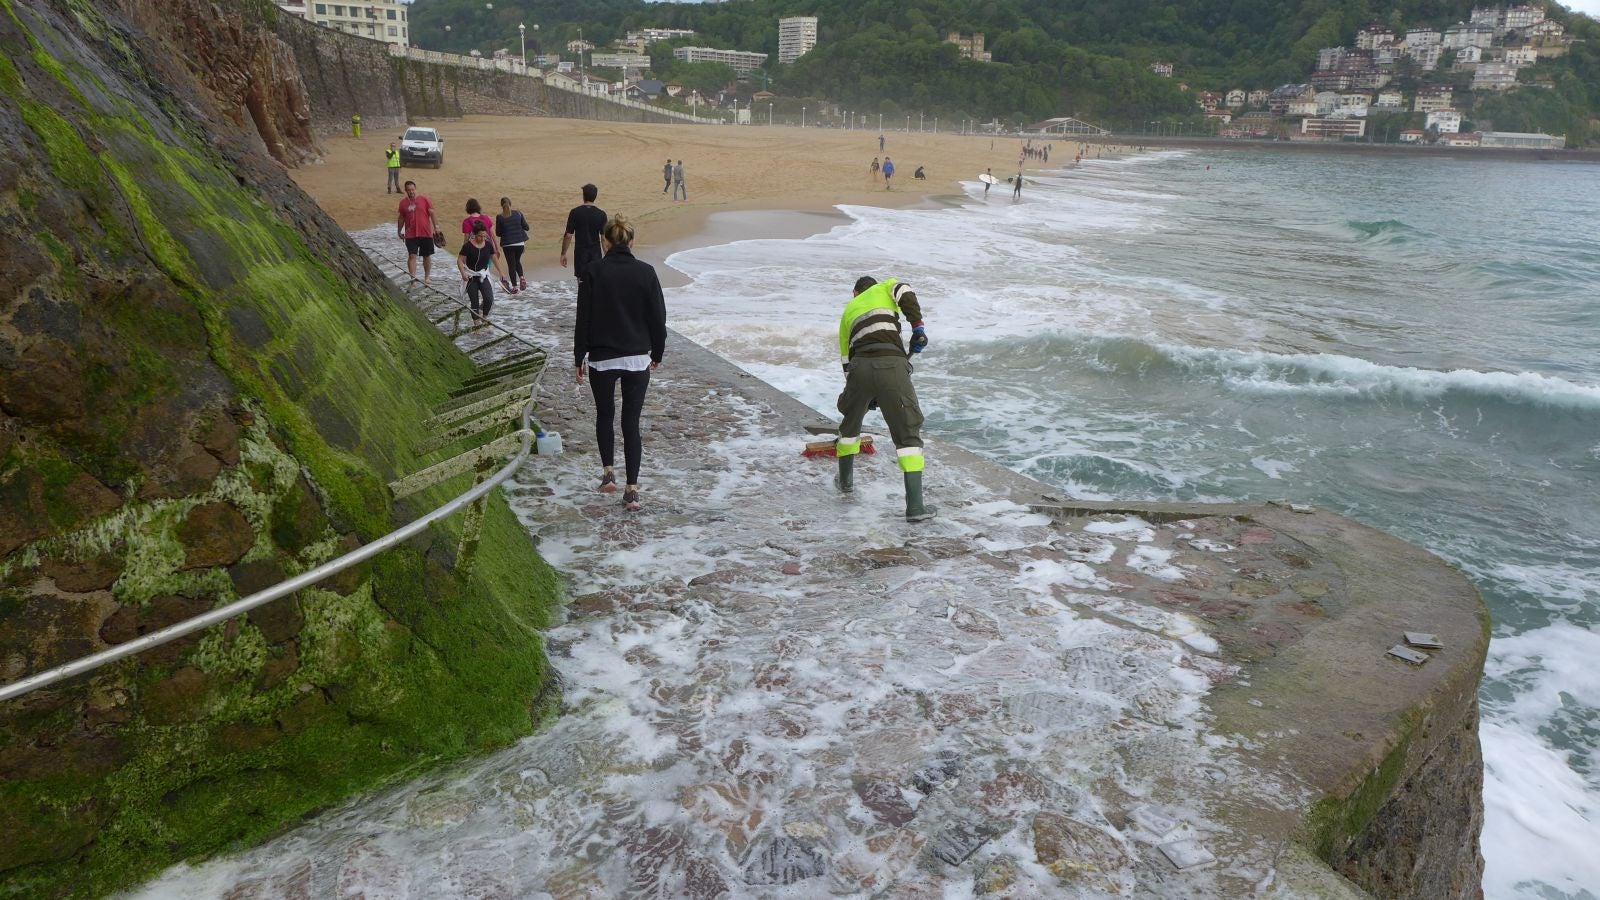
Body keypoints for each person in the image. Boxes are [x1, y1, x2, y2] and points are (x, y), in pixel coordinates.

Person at [574, 215, 666, 513]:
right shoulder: (646, 272)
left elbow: (583, 319)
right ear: (631, 242)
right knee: (631, 423)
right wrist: (657, 352)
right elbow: (657, 318)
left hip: (602, 357)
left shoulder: (593, 272)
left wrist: (579, 356)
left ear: (605, 241)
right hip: (637, 356)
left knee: (605, 415)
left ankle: (608, 474)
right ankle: (632, 491)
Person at [834, 275, 933, 521]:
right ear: (873, 286)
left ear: (854, 293)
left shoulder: (848, 311)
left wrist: (866, 394)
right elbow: (905, 290)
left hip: (859, 369)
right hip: (893, 366)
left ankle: (845, 482)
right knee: (907, 432)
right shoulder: (886, 286)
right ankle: (915, 508)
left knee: (850, 423)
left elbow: (846, 361)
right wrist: (917, 326)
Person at [560, 183, 607, 309]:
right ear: (595, 196)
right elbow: (603, 238)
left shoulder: (575, 212)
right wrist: (608, 256)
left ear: (583, 196)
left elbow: (568, 235)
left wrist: (563, 253)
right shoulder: (601, 214)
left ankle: (583, 309)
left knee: (582, 283)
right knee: (595, 284)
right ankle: (594, 309)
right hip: (596, 253)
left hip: (581, 253)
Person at [456, 220, 510, 323]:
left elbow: (494, 258)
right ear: (475, 235)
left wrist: (501, 272)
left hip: (483, 276)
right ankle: (477, 325)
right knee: (474, 302)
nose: (483, 238)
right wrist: (463, 273)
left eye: (485, 236)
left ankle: (484, 318)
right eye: (480, 236)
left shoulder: (488, 245)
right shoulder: (467, 246)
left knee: (489, 299)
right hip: (471, 277)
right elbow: (459, 260)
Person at [396, 180, 440, 284]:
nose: (411, 192)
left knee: (426, 255)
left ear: (415, 189)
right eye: (408, 190)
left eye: (412, 189)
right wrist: (399, 231)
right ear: (406, 191)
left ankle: (427, 276)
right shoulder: (403, 203)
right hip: (410, 234)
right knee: (412, 256)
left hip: (425, 233)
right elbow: (401, 218)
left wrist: (437, 227)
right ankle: (413, 279)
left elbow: (432, 214)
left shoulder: (424, 199)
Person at [495, 196, 530, 293]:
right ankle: (522, 278)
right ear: (510, 203)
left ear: (501, 205)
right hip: (520, 243)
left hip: (507, 244)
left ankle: (515, 287)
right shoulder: (518, 213)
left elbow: (498, 233)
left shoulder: (499, 217)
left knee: (511, 265)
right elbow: (526, 227)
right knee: (517, 261)